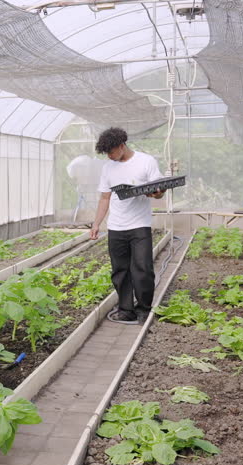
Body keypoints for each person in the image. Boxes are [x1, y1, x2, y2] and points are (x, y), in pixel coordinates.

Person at [89, 127, 164, 325]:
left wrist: (155, 193)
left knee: (143, 269)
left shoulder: (146, 161)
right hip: (116, 227)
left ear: (122, 146)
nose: (109, 156)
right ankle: (126, 309)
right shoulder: (108, 167)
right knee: (119, 270)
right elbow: (105, 197)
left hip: (139, 225)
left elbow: (159, 191)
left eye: (111, 151)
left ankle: (144, 309)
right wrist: (96, 223)